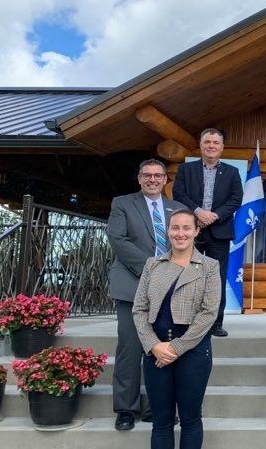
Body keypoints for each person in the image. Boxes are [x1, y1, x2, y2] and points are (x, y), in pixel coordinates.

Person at [106, 159, 185, 431]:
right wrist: (152, 270)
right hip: (132, 286)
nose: (152, 179)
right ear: (139, 178)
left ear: (166, 180)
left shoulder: (178, 209)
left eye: (158, 175)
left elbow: (184, 244)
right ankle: (126, 408)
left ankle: (156, 408)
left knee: (160, 349)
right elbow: (118, 240)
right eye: (147, 175)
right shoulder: (123, 203)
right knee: (130, 348)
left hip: (168, 291)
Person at [132, 208, 220, 449]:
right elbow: (139, 309)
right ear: (168, 231)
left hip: (192, 350)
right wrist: (153, 345)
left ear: (196, 231)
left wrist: (175, 348)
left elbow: (208, 313)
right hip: (156, 349)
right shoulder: (153, 264)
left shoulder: (209, 266)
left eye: (186, 228)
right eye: (175, 228)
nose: (180, 233)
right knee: (161, 421)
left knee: (191, 419)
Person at [172, 128, 243, 337]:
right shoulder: (186, 169)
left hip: (219, 231)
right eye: (207, 142)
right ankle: (183, 320)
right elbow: (179, 193)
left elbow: (235, 199)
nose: (211, 146)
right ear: (201, 145)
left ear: (222, 147)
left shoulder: (231, 172)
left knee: (216, 278)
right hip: (189, 231)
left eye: (215, 142)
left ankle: (215, 323)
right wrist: (198, 213)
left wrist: (215, 216)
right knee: (185, 274)